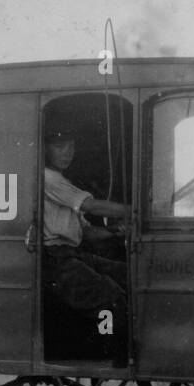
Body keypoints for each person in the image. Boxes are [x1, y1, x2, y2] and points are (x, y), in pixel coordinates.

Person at [37, 127, 132, 361]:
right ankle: (108, 346)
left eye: (71, 147)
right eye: (60, 147)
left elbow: (86, 232)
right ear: (46, 149)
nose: (67, 153)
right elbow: (90, 206)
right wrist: (134, 211)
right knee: (109, 296)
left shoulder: (59, 181)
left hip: (71, 254)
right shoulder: (49, 178)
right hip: (55, 259)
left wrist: (114, 232)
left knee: (126, 274)